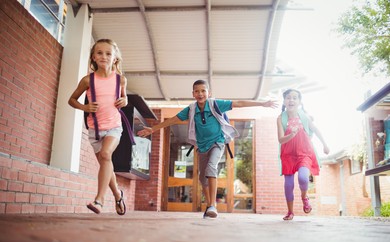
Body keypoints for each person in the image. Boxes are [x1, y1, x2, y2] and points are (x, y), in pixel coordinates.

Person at [137, 79, 278, 218]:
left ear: (209, 93)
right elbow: (173, 120)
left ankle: (212, 206)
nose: (200, 94)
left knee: (211, 168)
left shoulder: (215, 104)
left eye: (203, 91)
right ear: (193, 94)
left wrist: (262, 103)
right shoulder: (191, 109)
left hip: (218, 142)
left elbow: (239, 103)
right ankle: (209, 205)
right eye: (197, 91)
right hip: (202, 147)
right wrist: (152, 129)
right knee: (202, 179)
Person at [68, 39, 127, 215]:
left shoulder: (120, 80)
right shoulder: (87, 80)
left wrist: (125, 100)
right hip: (95, 129)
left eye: (108, 53)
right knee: (105, 163)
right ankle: (118, 195)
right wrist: (84, 107)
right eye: (99, 53)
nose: (104, 56)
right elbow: (71, 100)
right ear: (93, 57)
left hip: (114, 126)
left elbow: (124, 98)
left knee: (106, 154)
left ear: (115, 58)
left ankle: (99, 200)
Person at [277, 89, 329, 221]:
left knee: (303, 178)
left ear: (299, 102)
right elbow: (280, 139)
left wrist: (324, 144)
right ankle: (290, 212)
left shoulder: (304, 116)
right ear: (284, 101)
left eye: (295, 98)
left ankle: (304, 197)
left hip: (304, 153)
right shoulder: (280, 118)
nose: (291, 100)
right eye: (288, 98)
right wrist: (291, 134)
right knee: (288, 185)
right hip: (288, 155)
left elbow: (315, 129)